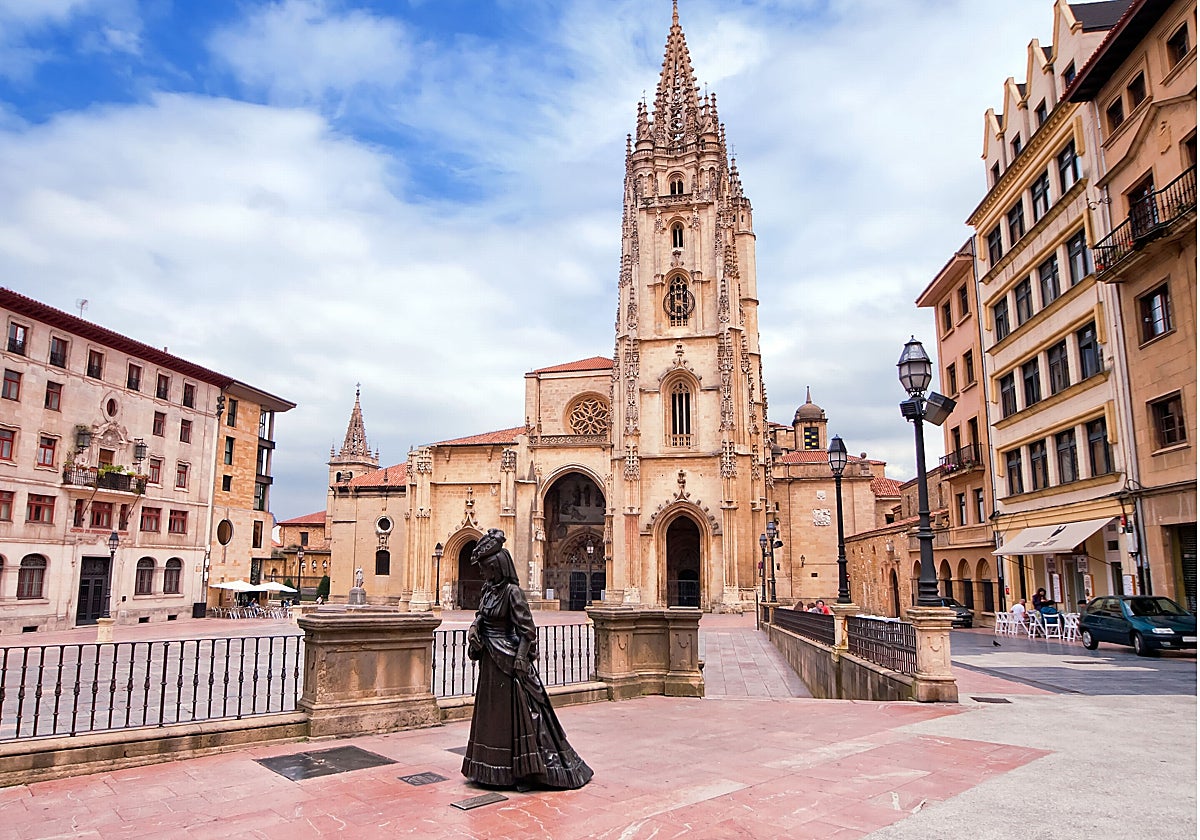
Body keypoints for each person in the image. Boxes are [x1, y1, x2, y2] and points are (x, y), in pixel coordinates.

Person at [461, 528, 593, 791]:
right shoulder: (489, 591)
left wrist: (521, 658)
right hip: (491, 662)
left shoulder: (512, 592)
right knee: (494, 717)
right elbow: (481, 616)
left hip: (509, 662)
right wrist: (475, 628)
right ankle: (490, 769)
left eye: (487, 568)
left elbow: (527, 630)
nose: (483, 573)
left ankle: (522, 769)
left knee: (522, 716)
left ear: (497, 567)